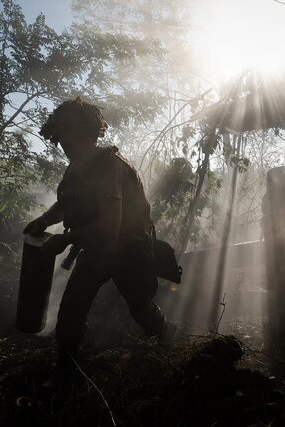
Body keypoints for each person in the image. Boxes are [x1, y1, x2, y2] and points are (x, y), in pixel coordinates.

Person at [24, 98, 169, 388]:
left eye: (67, 134)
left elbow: (110, 226)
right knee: (72, 308)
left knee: (140, 307)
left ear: (84, 132)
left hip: (130, 250)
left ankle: (166, 339)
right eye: (59, 136)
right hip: (97, 249)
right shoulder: (76, 168)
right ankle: (65, 375)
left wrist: (65, 239)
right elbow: (67, 204)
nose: (62, 143)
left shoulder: (107, 167)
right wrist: (44, 220)